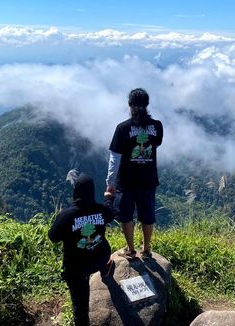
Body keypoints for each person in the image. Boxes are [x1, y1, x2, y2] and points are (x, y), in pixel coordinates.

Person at [48, 171, 114, 326]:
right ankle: (105, 269)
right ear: (92, 191)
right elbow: (110, 213)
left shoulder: (66, 216)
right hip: (100, 257)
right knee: (102, 250)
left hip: (77, 269)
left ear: (76, 191)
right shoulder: (100, 210)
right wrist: (108, 197)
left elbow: (53, 237)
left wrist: (63, 224)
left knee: (80, 307)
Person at [106, 88, 163, 259]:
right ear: (147, 105)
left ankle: (130, 249)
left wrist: (110, 182)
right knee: (147, 215)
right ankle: (146, 249)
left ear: (129, 105)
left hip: (127, 180)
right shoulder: (157, 126)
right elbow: (156, 144)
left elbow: (114, 158)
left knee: (126, 215)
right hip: (148, 179)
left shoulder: (123, 128)